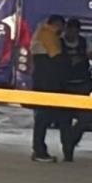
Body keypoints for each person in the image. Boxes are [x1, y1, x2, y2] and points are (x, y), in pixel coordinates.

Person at [60, 18, 92, 161]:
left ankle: (71, 140)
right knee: (64, 121)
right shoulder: (58, 43)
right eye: (68, 28)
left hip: (82, 87)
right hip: (63, 88)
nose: (70, 32)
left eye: (74, 29)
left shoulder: (85, 43)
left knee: (86, 117)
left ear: (78, 30)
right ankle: (68, 151)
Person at [29, 14, 71, 162]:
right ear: (56, 24)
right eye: (61, 26)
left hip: (44, 82)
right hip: (47, 83)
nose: (63, 30)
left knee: (42, 118)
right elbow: (56, 58)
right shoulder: (48, 34)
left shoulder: (42, 32)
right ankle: (39, 151)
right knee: (43, 118)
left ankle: (39, 149)